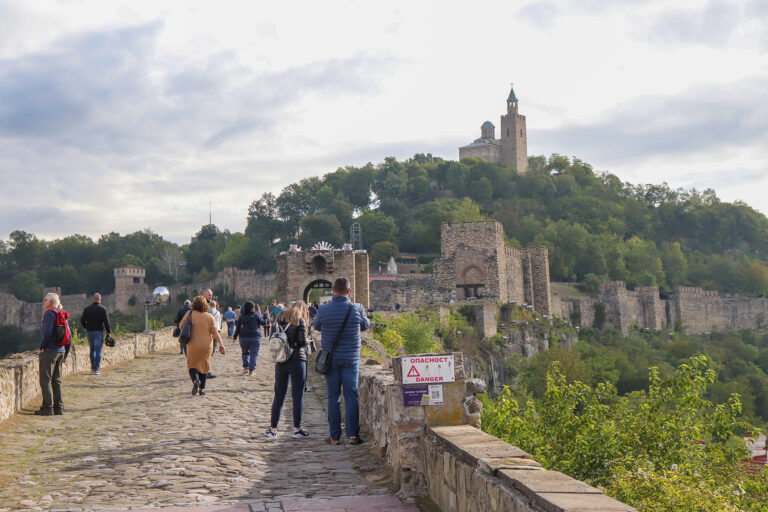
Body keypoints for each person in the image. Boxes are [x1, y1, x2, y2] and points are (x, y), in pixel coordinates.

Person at [313, 278, 370, 445]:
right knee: (351, 395)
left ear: (332, 289)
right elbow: (366, 326)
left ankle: (335, 436)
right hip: (351, 358)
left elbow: (317, 326)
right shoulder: (357, 308)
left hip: (331, 359)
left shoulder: (323, 309)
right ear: (348, 291)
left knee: (333, 396)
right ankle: (353, 435)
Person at [266, 301, 310, 440]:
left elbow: (272, 337)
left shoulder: (279, 317)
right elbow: (302, 342)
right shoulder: (300, 320)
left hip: (281, 359)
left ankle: (273, 430)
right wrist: (308, 341)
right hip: (297, 360)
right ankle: (297, 429)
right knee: (297, 396)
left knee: (279, 395)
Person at [179, 296, 224, 396]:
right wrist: (221, 345)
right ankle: (202, 389)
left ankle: (195, 381)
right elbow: (215, 333)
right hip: (206, 345)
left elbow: (181, 326)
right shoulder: (209, 317)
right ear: (205, 305)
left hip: (192, 344)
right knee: (204, 366)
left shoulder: (189, 314)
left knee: (192, 366)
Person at [36, 293, 71, 416]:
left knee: (45, 380)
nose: (43, 301)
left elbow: (47, 332)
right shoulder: (61, 314)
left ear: (51, 302)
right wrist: (66, 352)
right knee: (56, 380)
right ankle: (58, 408)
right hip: (60, 351)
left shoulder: (50, 314)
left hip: (50, 351)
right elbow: (69, 334)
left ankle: (47, 407)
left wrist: (42, 346)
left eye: (45, 300)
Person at [80, 293, 111, 375]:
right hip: (99, 332)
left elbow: (82, 321)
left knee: (92, 350)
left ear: (93, 299)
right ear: (100, 300)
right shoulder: (103, 309)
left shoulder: (87, 309)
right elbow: (106, 322)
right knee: (98, 351)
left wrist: (87, 327)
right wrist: (109, 332)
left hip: (90, 332)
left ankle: (93, 368)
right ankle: (96, 369)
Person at [233, 301, 268, 376]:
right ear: (252, 308)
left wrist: (235, 337)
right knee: (253, 354)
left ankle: (245, 367)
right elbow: (264, 323)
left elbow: (238, 328)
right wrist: (266, 315)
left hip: (243, 337)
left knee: (245, 352)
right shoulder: (255, 316)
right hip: (255, 337)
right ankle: (251, 371)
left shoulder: (241, 317)